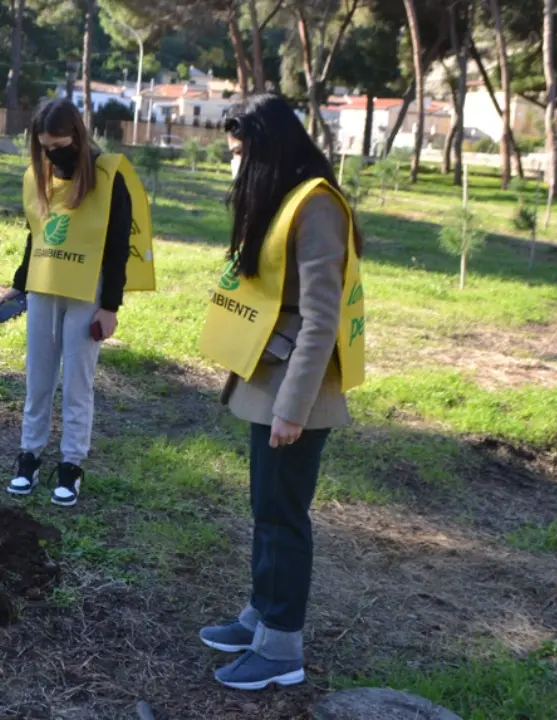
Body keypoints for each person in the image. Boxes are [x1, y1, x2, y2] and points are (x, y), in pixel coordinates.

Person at [196, 94, 365, 691]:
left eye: (242, 154)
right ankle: (259, 617)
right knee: (266, 511)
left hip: (296, 393)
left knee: (284, 518)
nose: (236, 165)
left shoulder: (318, 207)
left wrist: (292, 409)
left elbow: (322, 320)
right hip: (267, 382)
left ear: (271, 149)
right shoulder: (288, 198)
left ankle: (282, 648)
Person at [0, 98, 155, 507]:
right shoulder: (41, 173)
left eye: (59, 144)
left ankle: (71, 465)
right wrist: (20, 283)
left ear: (78, 137)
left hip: (89, 291)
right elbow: (37, 233)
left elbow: (119, 244)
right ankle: (28, 457)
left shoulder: (107, 174)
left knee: (77, 384)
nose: (52, 153)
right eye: (44, 145)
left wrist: (111, 305)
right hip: (44, 287)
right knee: (38, 378)